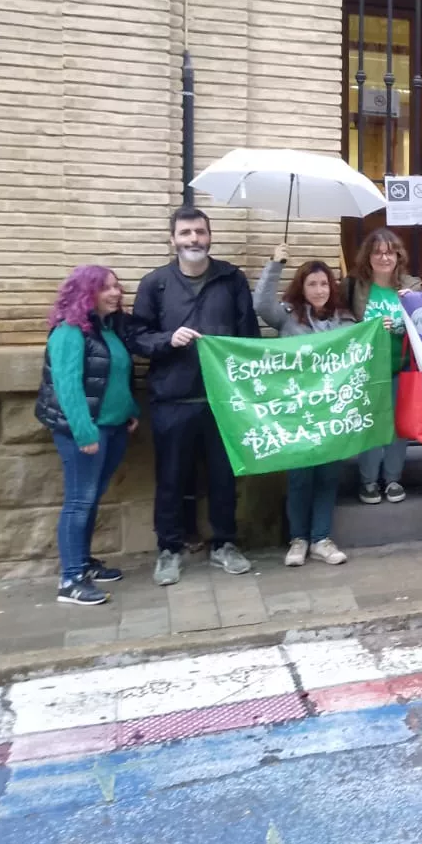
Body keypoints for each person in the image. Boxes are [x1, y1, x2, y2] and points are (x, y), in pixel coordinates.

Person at [130, 206, 258, 587]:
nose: (193, 239)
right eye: (185, 233)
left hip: (222, 400)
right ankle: (169, 549)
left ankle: (225, 544)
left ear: (210, 236)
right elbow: (137, 337)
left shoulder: (232, 279)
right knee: (171, 479)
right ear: (172, 239)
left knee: (224, 477)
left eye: (200, 232)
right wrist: (168, 339)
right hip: (172, 399)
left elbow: (249, 336)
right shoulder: (155, 284)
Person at [36, 266, 140, 606]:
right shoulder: (68, 332)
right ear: (85, 293)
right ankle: (70, 580)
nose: (116, 293)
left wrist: (130, 411)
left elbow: (118, 375)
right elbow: (67, 388)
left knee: (91, 497)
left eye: (117, 286)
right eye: (105, 288)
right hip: (86, 430)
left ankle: (83, 563)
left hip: (113, 427)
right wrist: (83, 433)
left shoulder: (107, 328)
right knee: (79, 501)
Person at [256, 243, 355, 567]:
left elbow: (359, 347)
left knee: (328, 476)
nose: (319, 290)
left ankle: (321, 540)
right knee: (300, 476)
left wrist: (379, 329)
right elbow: (261, 304)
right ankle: (298, 539)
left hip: (331, 411)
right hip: (297, 410)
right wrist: (275, 264)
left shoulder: (345, 320)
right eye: (312, 284)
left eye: (324, 283)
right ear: (302, 287)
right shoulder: (287, 316)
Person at [344, 228, 422, 508]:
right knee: (370, 426)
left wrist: (408, 312)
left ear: (398, 256)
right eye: (377, 252)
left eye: (390, 252)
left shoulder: (412, 286)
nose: (384, 258)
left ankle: (392, 479)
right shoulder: (354, 285)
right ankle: (368, 481)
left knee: (397, 428)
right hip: (367, 370)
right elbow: (343, 319)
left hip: (400, 367)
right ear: (368, 256)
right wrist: (367, 328)